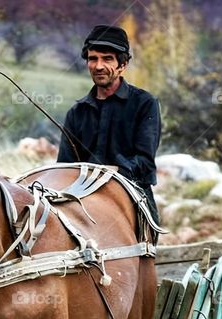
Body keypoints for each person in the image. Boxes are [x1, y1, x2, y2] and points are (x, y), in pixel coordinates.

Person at [57, 25, 162, 225]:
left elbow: (145, 163)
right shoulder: (77, 113)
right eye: (93, 58)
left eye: (107, 59)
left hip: (131, 199)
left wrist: (112, 171)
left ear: (122, 65)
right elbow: (64, 168)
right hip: (82, 203)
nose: (98, 66)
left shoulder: (144, 104)